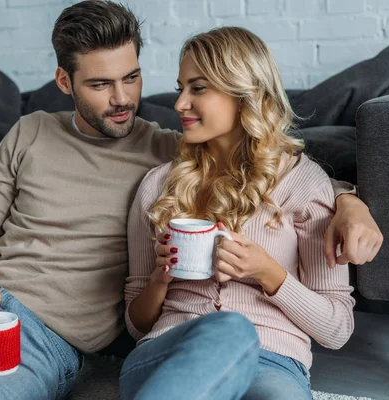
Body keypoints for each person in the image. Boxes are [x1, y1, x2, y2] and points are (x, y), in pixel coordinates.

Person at [0, 1, 380, 399]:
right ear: (65, 81)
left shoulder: (165, 150)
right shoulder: (32, 131)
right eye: (102, 84)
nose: (124, 98)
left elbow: (255, 161)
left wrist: (347, 200)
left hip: (37, 342)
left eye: (132, 78)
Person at [121, 27, 358, 400]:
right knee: (229, 330)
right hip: (168, 354)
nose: (180, 103)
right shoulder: (157, 185)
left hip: (273, 361)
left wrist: (269, 273)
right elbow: (135, 326)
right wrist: (159, 281)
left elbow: (337, 329)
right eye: (181, 87)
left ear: (243, 94)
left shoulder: (304, 183)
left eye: (197, 88)